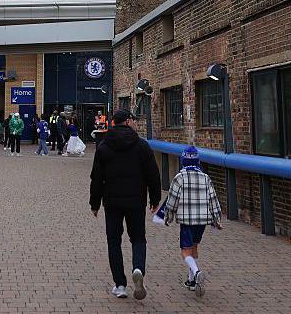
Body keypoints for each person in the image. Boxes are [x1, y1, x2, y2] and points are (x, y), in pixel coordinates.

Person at [89, 109, 161, 301]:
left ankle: (120, 284)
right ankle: (138, 268)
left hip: (112, 202)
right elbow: (153, 175)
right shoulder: (142, 146)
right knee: (138, 238)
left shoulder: (104, 147)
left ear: (113, 123)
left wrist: (94, 203)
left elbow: (97, 178)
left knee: (114, 241)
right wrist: (155, 199)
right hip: (136, 201)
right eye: (134, 120)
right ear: (128, 121)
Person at [163, 146, 222, 296]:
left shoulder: (179, 178)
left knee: (185, 251)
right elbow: (213, 199)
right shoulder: (205, 178)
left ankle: (196, 272)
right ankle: (191, 281)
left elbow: (172, 201)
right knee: (194, 248)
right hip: (202, 220)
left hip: (186, 220)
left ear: (183, 161)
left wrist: (168, 216)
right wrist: (217, 219)